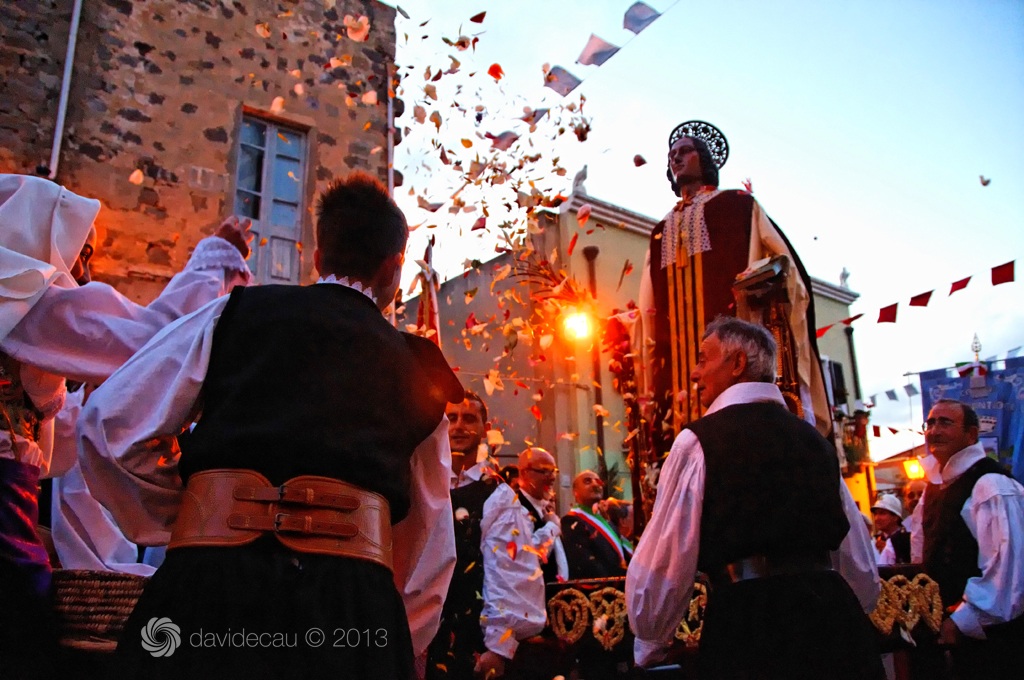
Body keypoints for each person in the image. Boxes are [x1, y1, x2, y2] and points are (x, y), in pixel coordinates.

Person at [79, 173, 462, 679]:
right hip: (350, 610)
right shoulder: (421, 371)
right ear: (395, 269)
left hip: (208, 589)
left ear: (319, 257)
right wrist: (399, 633)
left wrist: (196, 516)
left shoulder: (233, 314)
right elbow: (429, 542)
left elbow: (107, 425)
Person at [0, 173, 250, 678]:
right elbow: (152, 340)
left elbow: (64, 445)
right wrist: (213, 260)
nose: (87, 273)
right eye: (78, 252)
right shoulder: (26, 298)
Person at [626, 317, 883, 679]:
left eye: (703, 359)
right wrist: (857, 605)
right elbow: (853, 548)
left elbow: (669, 550)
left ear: (737, 364)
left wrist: (650, 637)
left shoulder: (699, 441)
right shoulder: (814, 442)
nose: (695, 374)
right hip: (833, 620)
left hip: (751, 622)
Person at [637, 120, 831, 460]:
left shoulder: (738, 207)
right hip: (676, 375)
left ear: (706, 158)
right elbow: (647, 306)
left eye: (685, 151)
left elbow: (785, 268)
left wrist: (765, 280)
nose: (676, 158)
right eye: (672, 154)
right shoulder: (659, 231)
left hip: (734, 357)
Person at [426, 394, 547, 680]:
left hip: (472, 640)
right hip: (421, 634)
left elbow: (510, 573)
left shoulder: (498, 495)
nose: (458, 426)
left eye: (469, 418)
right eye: (451, 418)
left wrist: (499, 646)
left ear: (484, 427)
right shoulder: (425, 482)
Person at [908, 399, 1024, 678]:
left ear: (971, 434)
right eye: (931, 423)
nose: (934, 431)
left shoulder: (990, 484)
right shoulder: (933, 487)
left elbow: (1006, 570)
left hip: (992, 646)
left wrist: (963, 618)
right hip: (948, 637)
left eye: (945, 422)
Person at [561, 470, 630, 579]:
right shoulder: (570, 521)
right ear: (575, 491)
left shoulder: (607, 522)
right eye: (587, 481)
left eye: (598, 481)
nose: (595, 484)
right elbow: (587, 565)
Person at [517, 446, 569, 583]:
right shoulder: (517, 508)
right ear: (525, 473)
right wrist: (551, 526)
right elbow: (527, 557)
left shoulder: (543, 506)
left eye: (553, 471)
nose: (552, 477)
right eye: (544, 471)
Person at [871, 494, 910, 565]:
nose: (877, 518)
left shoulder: (907, 539)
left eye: (882, 513)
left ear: (895, 517)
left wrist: (893, 551)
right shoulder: (874, 540)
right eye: (875, 514)